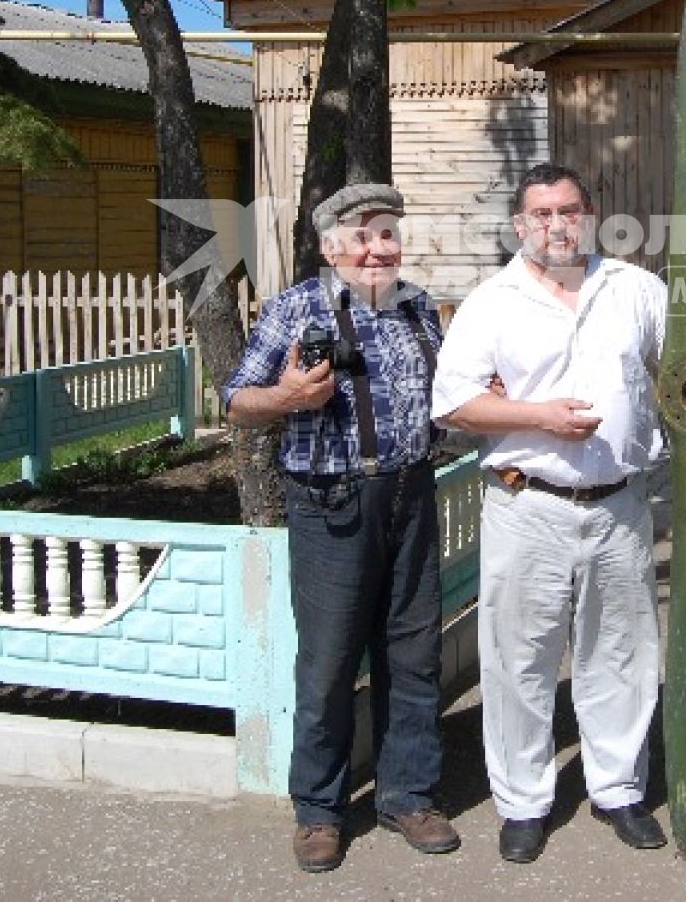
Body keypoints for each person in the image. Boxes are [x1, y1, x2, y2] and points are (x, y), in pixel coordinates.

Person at [430, 162, 686, 864]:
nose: (558, 223)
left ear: (590, 214)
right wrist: (537, 416)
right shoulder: (493, 302)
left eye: (570, 209)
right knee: (519, 660)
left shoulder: (634, 289)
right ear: (521, 225)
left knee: (621, 653)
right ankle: (523, 802)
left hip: (618, 505)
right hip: (527, 504)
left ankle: (618, 788)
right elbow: (454, 402)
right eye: (542, 213)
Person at [224, 182, 460, 874]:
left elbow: (450, 397)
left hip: (411, 493)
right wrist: (288, 396)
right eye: (361, 236)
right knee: (328, 662)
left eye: (386, 233)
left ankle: (408, 794)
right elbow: (238, 401)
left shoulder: (419, 306)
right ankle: (320, 809)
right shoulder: (296, 308)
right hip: (331, 502)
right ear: (331, 247)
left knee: (413, 651)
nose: (376, 247)